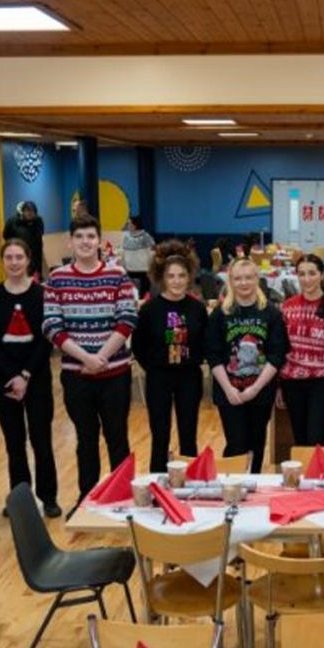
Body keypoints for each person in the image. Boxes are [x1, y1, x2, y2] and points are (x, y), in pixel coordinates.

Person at [43, 214, 137, 512]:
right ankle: (88, 498)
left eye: (90, 236)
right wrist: (87, 359)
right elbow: (52, 326)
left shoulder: (117, 275)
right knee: (85, 440)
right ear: (70, 241)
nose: (85, 242)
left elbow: (127, 320)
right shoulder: (57, 279)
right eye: (79, 237)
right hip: (76, 374)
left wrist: (102, 358)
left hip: (115, 374)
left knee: (117, 437)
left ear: (99, 241)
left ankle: (122, 499)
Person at [0, 239, 58, 518]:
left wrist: (25, 374)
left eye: (19, 257)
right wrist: (12, 376)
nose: (14, 262)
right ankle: (20, 500)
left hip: (35, 378)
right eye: (9, 257)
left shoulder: (42, 295)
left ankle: (48, 497)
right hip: (4, 380)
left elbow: (46, 339)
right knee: (14, 443)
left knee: (41, 440)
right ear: (3, 261)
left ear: (28, 261)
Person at [206, 258, 288, 473]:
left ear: (257, 279)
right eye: (238, 278)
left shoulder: (271, 313)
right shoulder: (220, 314)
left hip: (259, 390)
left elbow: (276, 356)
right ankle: (231, 486)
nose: (243, 283)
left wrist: (255, 389)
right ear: (230, 281)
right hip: (228, 391)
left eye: (249, 278)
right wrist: (228, 389)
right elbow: (213, 356)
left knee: (256, 442)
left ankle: (253, 487)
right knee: (236, 443)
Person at [134, 240, 208, 473]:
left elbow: (205, 342)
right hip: (158, 378)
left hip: (189, 377)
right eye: (171, 276)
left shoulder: (197, 309)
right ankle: (158, 483)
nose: (176, 281)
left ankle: (192, 483)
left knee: (188, 434)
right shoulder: (149, 309)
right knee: (160, 435)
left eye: (181, 275)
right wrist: (155, 366)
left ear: (189, 277)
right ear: (162, 278)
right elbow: (138, 344)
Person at [279, 253, 324, 447]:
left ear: (322, 276)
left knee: (316, 438)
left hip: (322, 383)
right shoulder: (287, 307)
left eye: (312, 273)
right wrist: (278, 386)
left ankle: (319, 477)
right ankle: (303, 478)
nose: (306, 279)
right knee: (300, 440)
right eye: (301, 274)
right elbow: (281, 350)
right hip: (292, 383)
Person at [2, 201, 45, 277]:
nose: (29, 213)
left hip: (34, 257)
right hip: (18, 256)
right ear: (23, 212)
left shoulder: (38, 221)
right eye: (27, 211)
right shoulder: (13, 222)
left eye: (32, 211)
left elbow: (40, 239)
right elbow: (6, 236)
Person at [122, 215, 155, 297]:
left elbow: (152, 253)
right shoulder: (126, 237)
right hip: (129, 271)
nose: (127, 225)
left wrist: (151, 267)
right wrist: (124, 265)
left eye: (129, 223)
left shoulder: (146, 237)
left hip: (143, 271)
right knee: (130, 295)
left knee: (143, 296)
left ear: (135, 225)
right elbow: (124, 252)